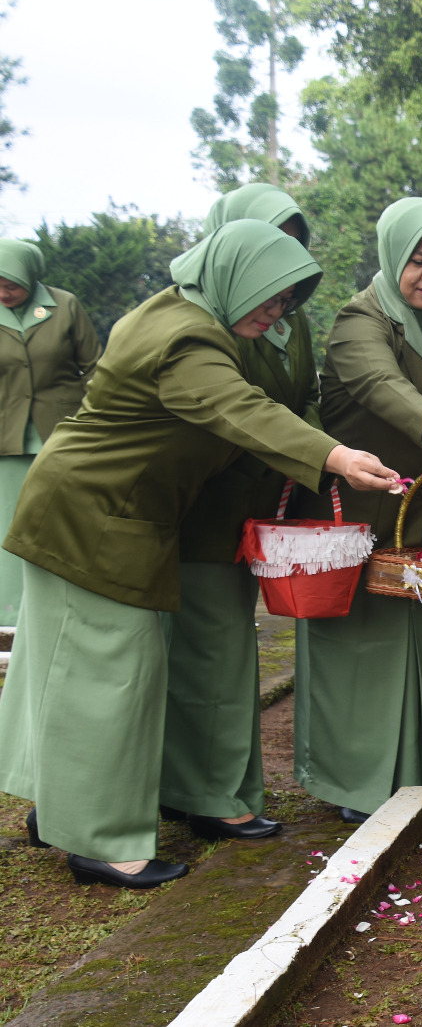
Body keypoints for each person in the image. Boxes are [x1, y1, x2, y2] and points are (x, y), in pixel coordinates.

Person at [0, 220, 400, 887]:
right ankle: (99, 840)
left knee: (70, 670)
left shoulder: (185, 309)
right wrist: (333, 455)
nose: (275, 316)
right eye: (267, 299)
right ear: (233, 274)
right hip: (91, 515)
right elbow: (238, 408)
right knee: (110, 677)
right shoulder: (187, 336)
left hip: (115, 512)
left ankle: (65, 811)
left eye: (284, 305)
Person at [294, 198, 422, 822]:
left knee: (413, 647)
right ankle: (352, 783)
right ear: (392, 256)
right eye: (418, 261)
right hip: (354, 515)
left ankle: (406, 774)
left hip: (420, 519)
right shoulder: (358, 321)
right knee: (357, 648)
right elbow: (383, 388)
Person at [159, 183, 319, 841]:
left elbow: (302, 400)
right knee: (210, 652)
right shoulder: (210, 322)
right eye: (266, 238)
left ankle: (202, 786)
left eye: (291, 241)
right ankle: (211, 796)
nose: (278, 258)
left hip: (261, 509)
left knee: (225, 652)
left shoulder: (291, 319)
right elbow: (239, 413)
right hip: (206, 508)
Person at [0, 239, 101, 626]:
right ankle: (11, 613)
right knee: (8, 523)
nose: (6, 293)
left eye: (13, 285)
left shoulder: (65, 306)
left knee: (59, 521)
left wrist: (97, 420)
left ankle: (61, 608)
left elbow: (94, 366)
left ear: (31, 275)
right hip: (7, 436)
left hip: (62, 433)